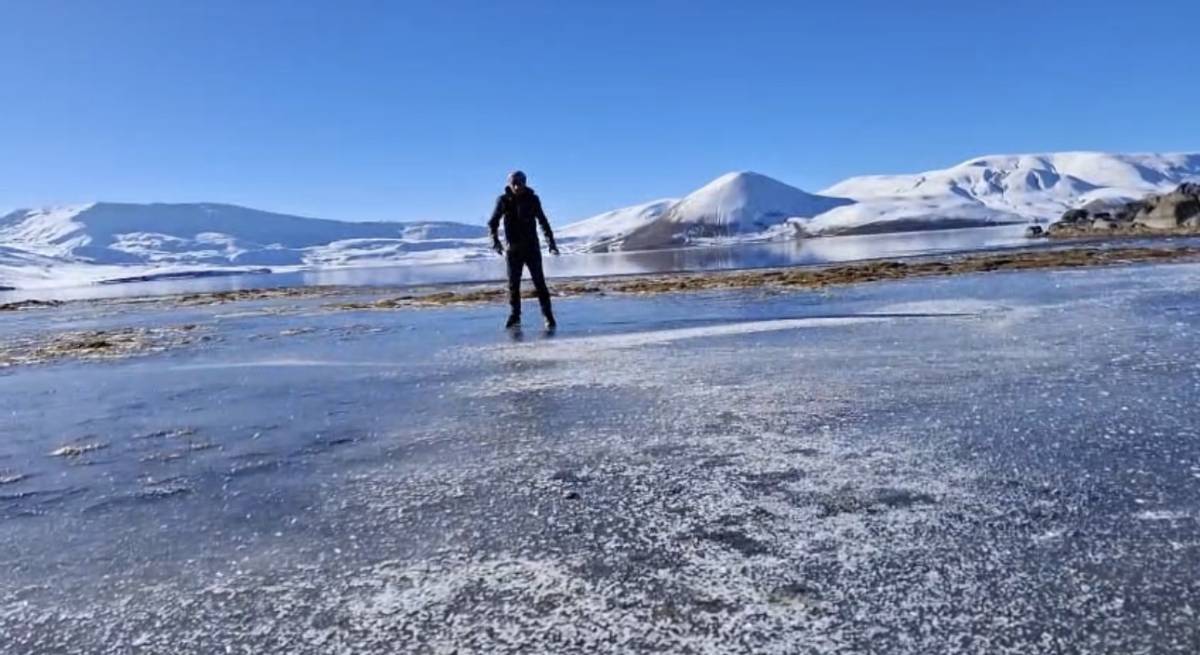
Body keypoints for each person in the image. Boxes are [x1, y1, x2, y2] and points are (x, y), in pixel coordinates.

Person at [488, 170, 559, 329]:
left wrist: (551, 243)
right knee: (513, 285)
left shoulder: (533, 199)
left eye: (519, 183)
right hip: (513, 250)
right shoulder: (504, 200)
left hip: (532, 249)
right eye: (513, 183)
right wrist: (495, 241)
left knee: (539, 283)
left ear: (525, 183)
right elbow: (492, 223)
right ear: (509, 184)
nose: (516, 186)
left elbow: (543, 222)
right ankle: (515, 316)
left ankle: (548, 316)